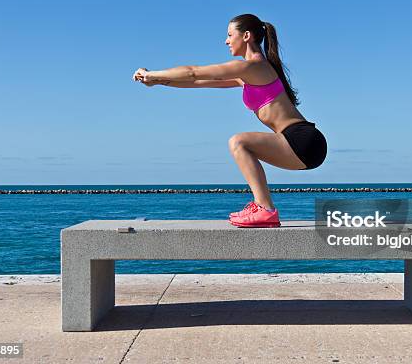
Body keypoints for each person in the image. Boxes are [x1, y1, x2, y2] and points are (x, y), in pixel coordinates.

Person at [132, 13, 327, 228]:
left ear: (246, 36)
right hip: (301, 143)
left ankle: (265, 209)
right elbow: (198, 82)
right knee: (240, 142)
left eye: (229, 35)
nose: (226, 41)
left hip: (302, 140)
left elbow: (193, 72)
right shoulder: (247, 74)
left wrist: (152, 74)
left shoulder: (253, 68)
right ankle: (262, 207)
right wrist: (158, 82)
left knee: (239, 142)